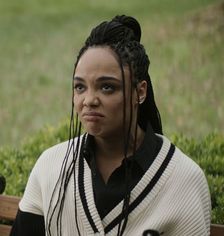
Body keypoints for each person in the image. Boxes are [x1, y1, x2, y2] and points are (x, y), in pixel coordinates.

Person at [11, 15, 211, 236]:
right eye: (80, 87)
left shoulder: (183, 181)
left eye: (107, 87)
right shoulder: (51, 167)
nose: (89, 100)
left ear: (140, 92)